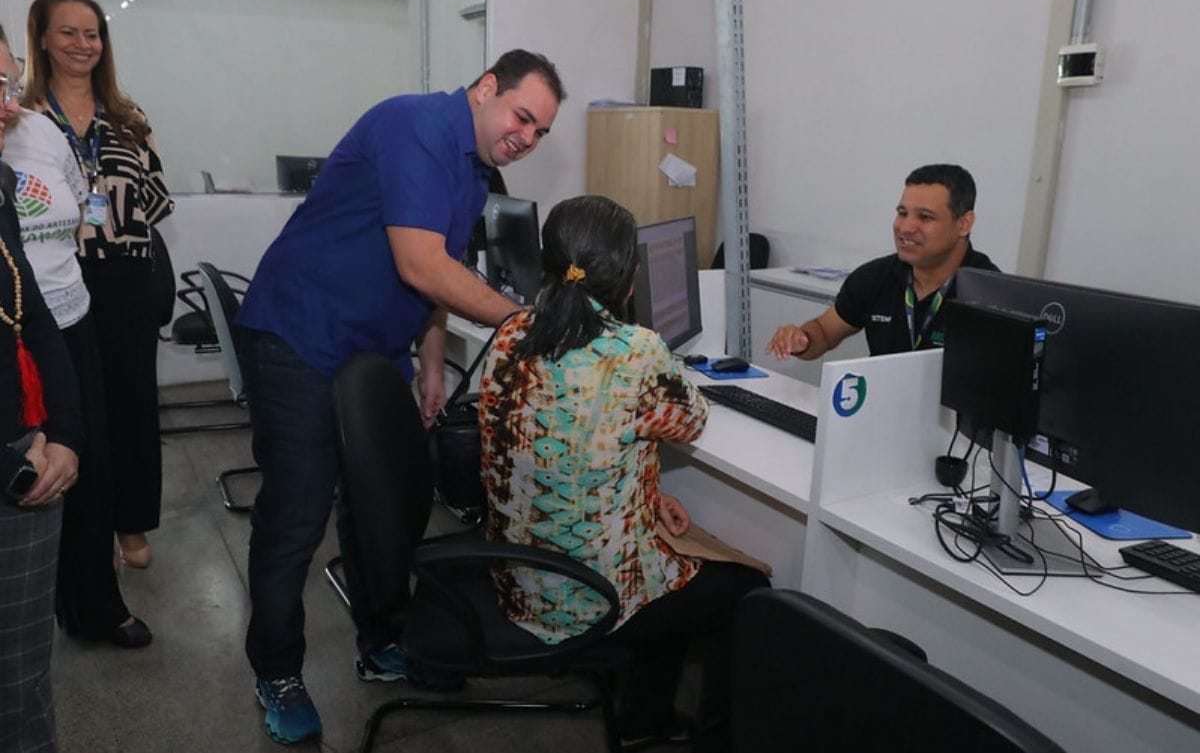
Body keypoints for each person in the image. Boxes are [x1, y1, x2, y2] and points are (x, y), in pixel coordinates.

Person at [234, 49, 563, 744]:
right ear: (486, 89)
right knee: (296, 516)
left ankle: (383, 640)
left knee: (378, 508)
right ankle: (277, 671)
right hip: (301, 332)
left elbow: (437, 273)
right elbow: (421, 264)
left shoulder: (473, 171)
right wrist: (525, 321)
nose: (527, 137)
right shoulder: (416, 126)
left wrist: (431, 364)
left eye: (540, 131)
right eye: (522, 116)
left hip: (373, 346)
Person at [479, 195, 770, 753]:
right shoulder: (636, 350)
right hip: (589, 600)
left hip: (517, 579)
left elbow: (566, 449)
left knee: (674, 563)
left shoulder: (512, 332)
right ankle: (701, 738)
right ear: (629, 276)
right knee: (745, 590)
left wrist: (646, 492)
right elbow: (690, 421)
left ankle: (645, 715)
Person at [0, 27, 151, 648]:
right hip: (13, 335)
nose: (7, 101)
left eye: (7, 83)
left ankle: (92, 604)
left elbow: (82, 203)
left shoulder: (39, 131)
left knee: (82, 460)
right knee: (26, 471)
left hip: (65, 315)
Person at [22, 0, 174, 570]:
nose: (82, 44)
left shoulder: (129, 118)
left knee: (132, 405)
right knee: (77, 409)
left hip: (128, 277)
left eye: (92, 34)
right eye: (68, 32)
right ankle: (87, 531)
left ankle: (131, 523)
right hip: (60, 278)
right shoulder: (25, 120)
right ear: (42, 39)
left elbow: (153, 200)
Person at [0, 102, 83, 751]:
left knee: (20, 680)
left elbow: (31, 314)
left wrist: (66, 435)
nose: (8, 104)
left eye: (5, 81)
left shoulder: (2, 185)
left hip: (25, 450)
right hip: (11, 458)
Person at [766, 163, 999, 360]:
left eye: (925, 217)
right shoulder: (875, 277)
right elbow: (824, 332)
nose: (905, 227)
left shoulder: (992, 297)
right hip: (881, 399)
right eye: (902, 213)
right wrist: (802, 339)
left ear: (964, 224)